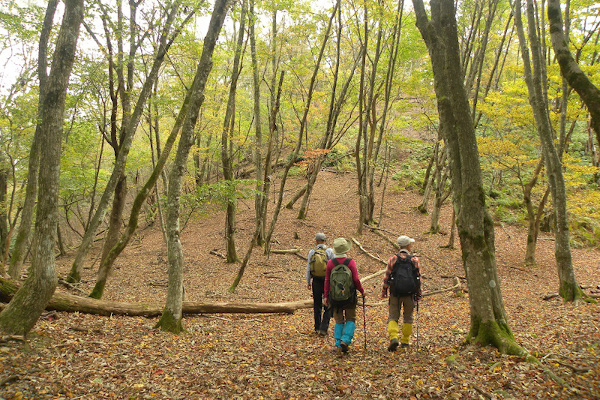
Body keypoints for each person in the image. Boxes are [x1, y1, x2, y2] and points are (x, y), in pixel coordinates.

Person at [324, 238, 365, 353]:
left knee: (338, 320)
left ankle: (338, 342)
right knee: (350, 318)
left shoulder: (330, 263)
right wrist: (362, 291)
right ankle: (345, 340)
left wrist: (326, 296)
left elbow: (327, 280)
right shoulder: (350, 262)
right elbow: (356, 279)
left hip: (335, 297)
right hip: (349, 296)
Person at [381, 235, 422, 351]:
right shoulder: (414, 260)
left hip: (395, 293)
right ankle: (405, 341)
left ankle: (394, 337)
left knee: (393, 316)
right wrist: (418, 294)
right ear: (408, 246)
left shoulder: (393, 259)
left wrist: (384, 291)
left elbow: (387, 277)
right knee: (408, 317)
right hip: (410, 294)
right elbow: (418, 278)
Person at [306, 232, 335, 336]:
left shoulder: (312, 252)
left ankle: (317, 327)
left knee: (317, 304)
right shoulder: (330, 251)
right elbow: (334, 267)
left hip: (316, 281)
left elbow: (309, 267)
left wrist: (308, 281)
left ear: (316, 241)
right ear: (325, 240)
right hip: (328, 281)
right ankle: (324, 328)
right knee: (329, 304)